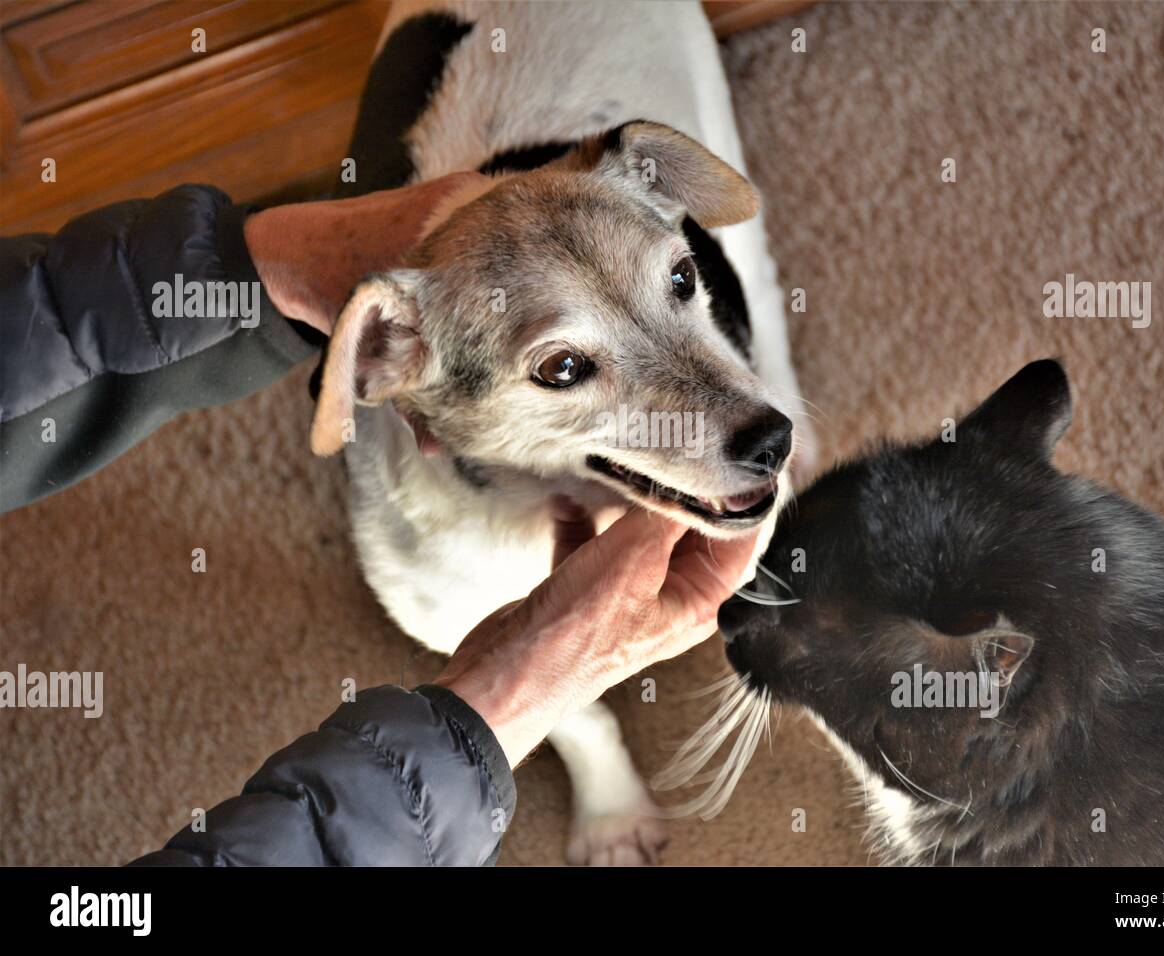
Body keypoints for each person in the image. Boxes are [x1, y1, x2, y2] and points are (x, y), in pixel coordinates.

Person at [0, 177, 758, 866]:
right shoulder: (423, 568)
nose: (756, 419)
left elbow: (734, 206)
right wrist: (528, 686)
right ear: (389, 364)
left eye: (680, 278)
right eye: (564, 365)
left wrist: (252, 255)